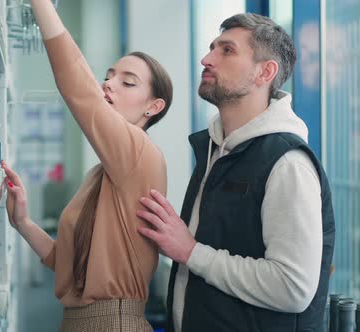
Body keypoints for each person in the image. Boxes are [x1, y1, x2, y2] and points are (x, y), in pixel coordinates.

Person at [136, 13, 335, 332]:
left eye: (226, 50)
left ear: (264, 72)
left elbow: (292, 288)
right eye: (212, 48)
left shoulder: (287, 163)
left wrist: (190, 251)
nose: (207, 58)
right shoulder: (216, 148)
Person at [1, 0, 173, 330]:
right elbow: (66, 263)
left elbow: (78, 88)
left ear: (154, 106)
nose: (109, 83)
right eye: (108, 76)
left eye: (128, 81)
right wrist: (23, 222)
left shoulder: (141, 154)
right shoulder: (103, 173)